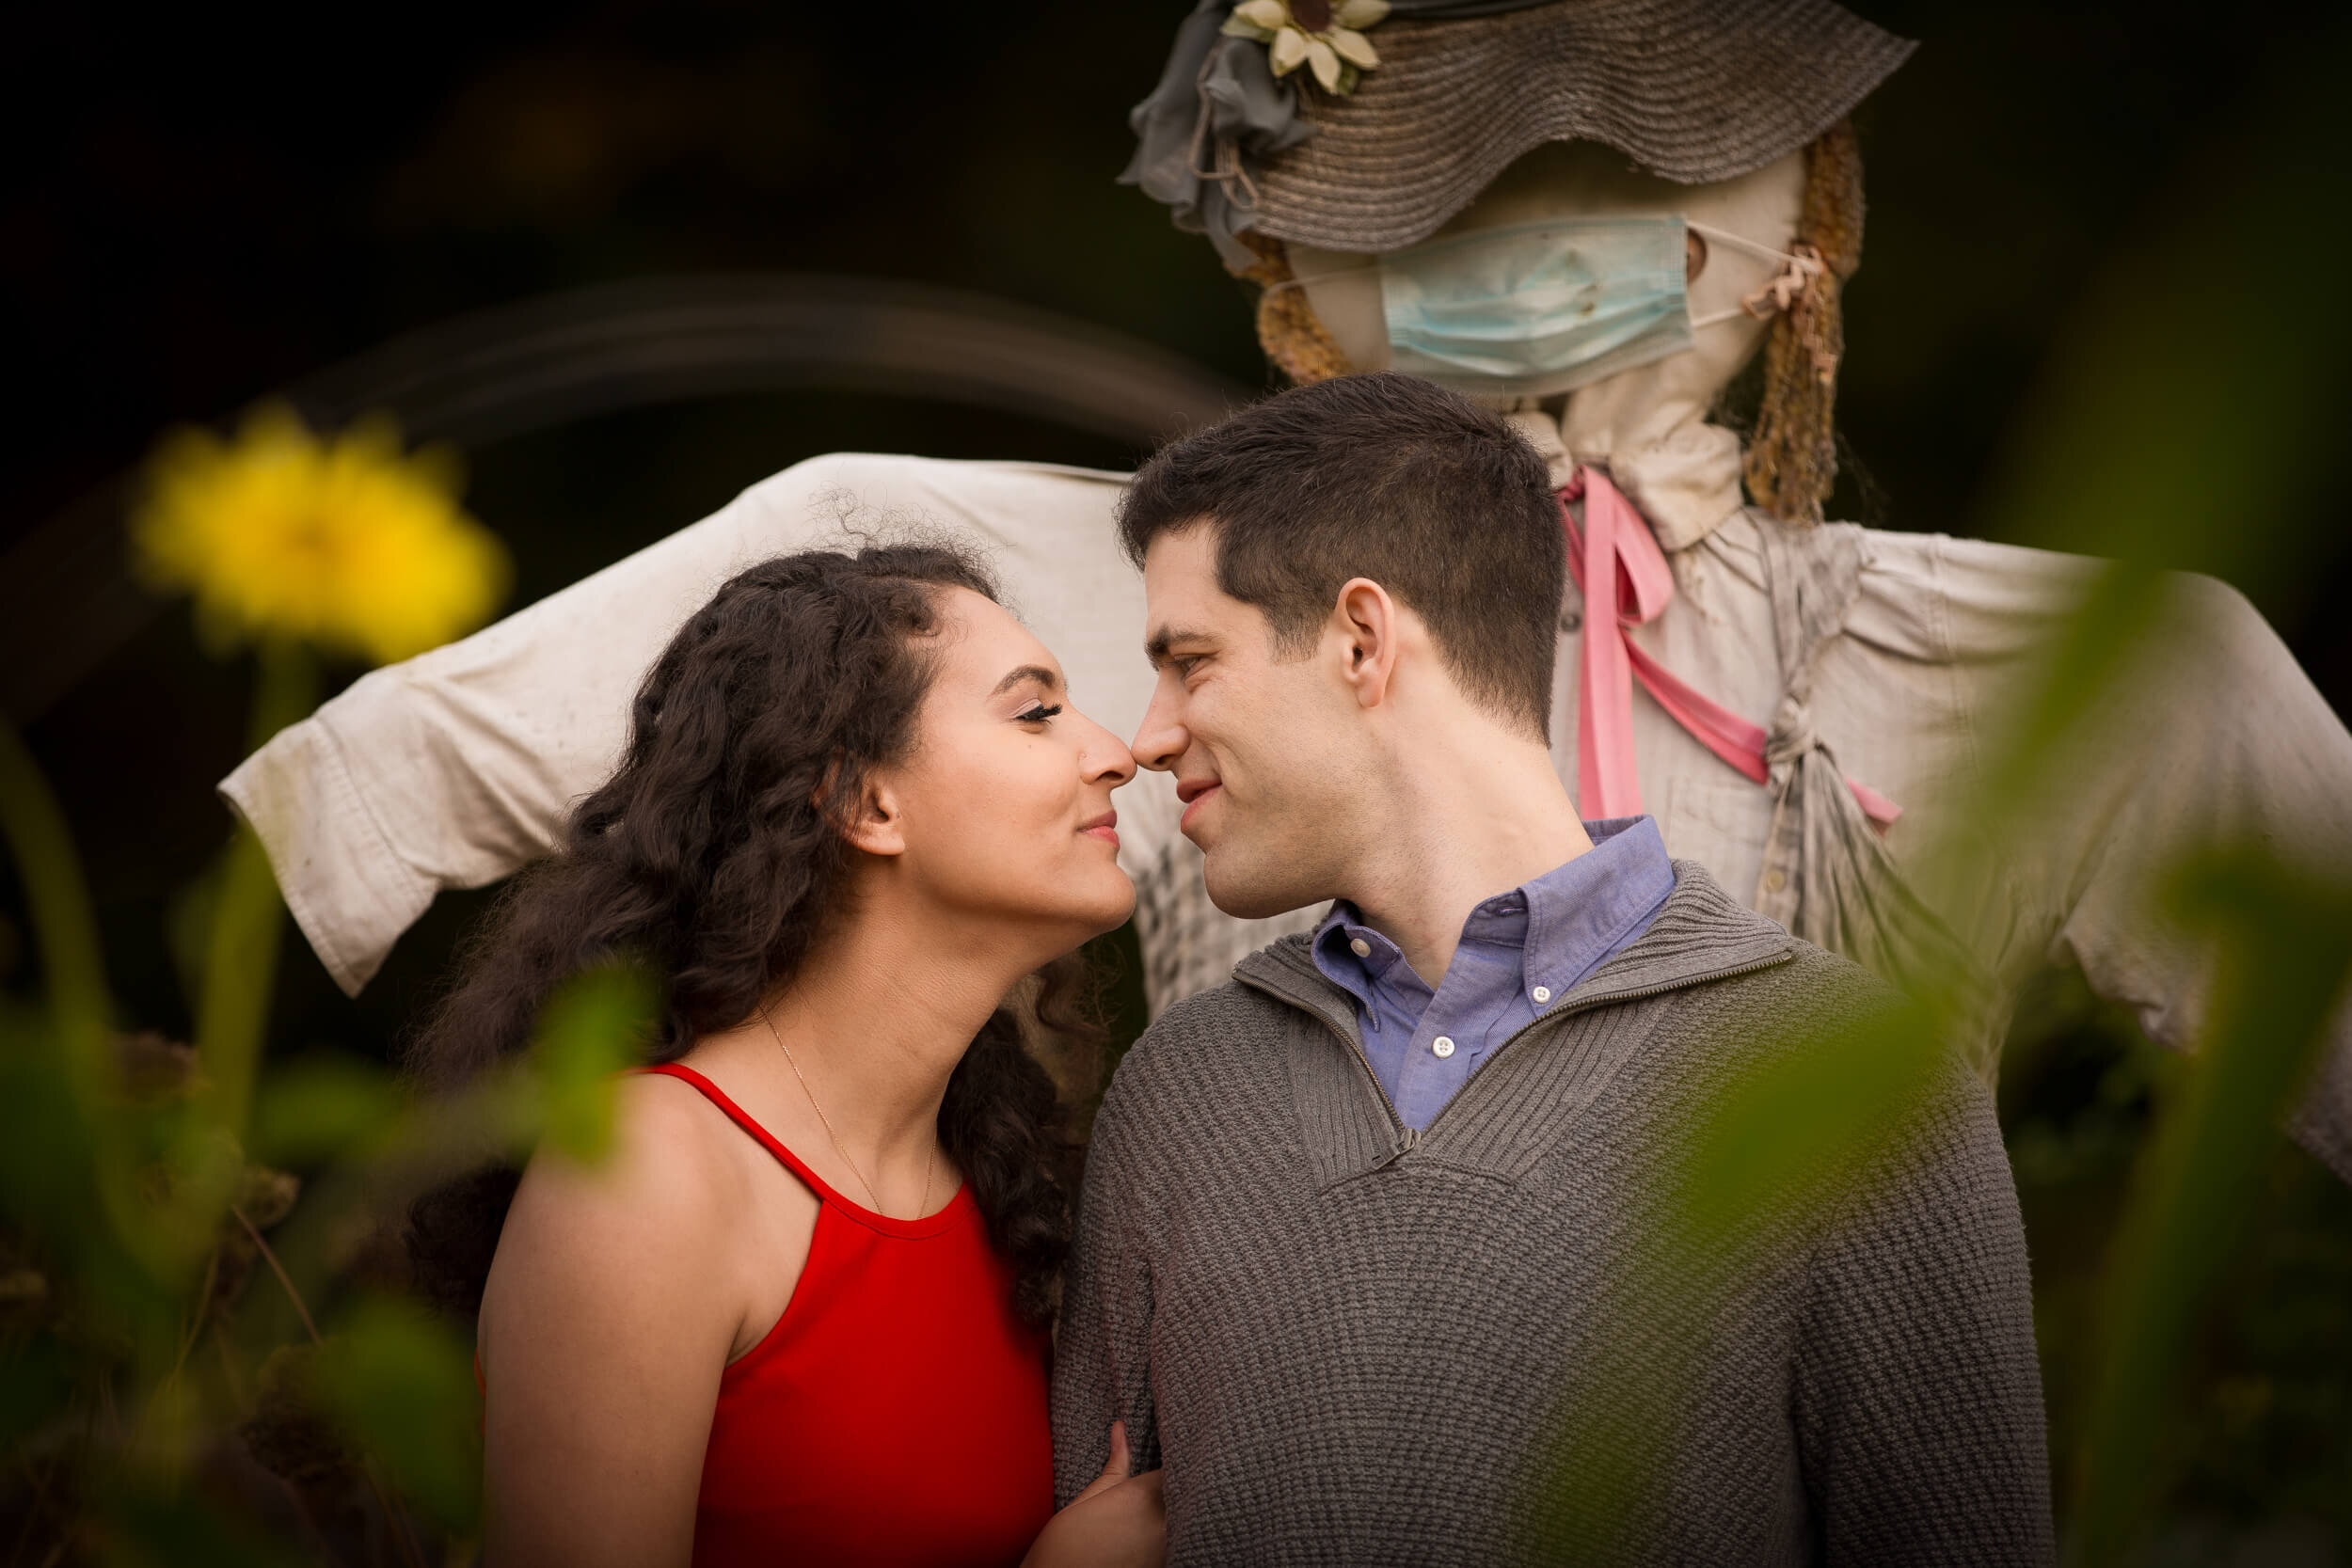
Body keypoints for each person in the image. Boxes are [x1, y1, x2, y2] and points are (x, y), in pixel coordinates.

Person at [221, 0, 2352, 1184]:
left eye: (1615, 180)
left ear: (1808, 227)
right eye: (1441, 194)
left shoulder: (2071, 661)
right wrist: (219, 979)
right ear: (1292, 274)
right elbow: (421, 762)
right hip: (1255, 1382)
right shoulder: (1087, 575)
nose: (1531, 251)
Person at [1051, 372, 2054, 1564]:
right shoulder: (1178, 1092)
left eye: (1191, 660)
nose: (1149, 732)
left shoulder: (1854, 1085)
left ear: (1362, 641)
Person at [404, 544, 1166, 1566]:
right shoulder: (647, 1173)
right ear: (864, 803)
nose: (1116, 751)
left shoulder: (1006, 1184)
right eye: (1036, 712)